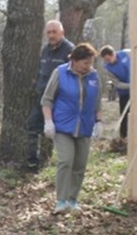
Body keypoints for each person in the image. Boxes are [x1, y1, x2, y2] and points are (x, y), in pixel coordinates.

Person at [42, 43, 102, 214]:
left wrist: (99, 122)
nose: (88, 67)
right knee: (66, 160)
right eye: (85, 63)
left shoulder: (94, 77)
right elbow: (47, 100)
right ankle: (61, 201)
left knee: (80, 165)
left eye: (90, 63)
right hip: (63, 126)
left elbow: (97, 102)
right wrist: (48, 121)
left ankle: (72, 200)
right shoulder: (60, 73)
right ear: (75, 60)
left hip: (84, 126)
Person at [26, 20, 74, 171]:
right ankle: (33, 164)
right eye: (49, 32)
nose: (51, 35)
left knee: (62, 134)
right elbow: (40, 70)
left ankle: (65, 165)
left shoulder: (70, 50)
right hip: (43, 98)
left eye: (54, 32)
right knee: (32, 127)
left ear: (62, 32)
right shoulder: (45, 50)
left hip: (61, 100)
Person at [99, 45, 132, 139]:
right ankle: (123, 137)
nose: (108, 62)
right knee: (124, 116)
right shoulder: (108, 68)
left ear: (113, 54)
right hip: (124, 93)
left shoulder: (125, 53)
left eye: (109, 59)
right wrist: (130, 86)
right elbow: (117, 84)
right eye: (106, 60)